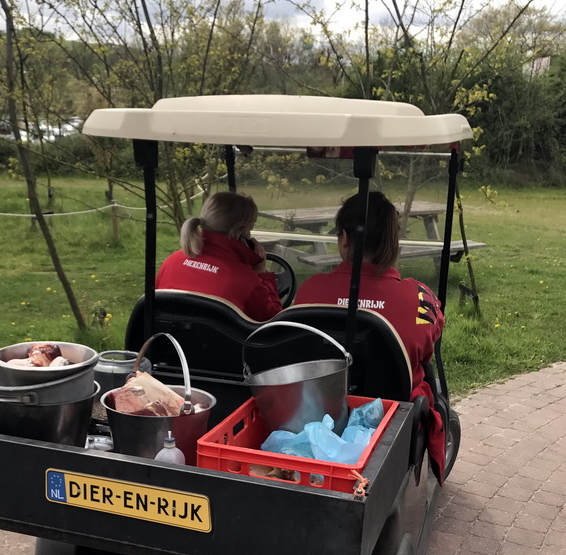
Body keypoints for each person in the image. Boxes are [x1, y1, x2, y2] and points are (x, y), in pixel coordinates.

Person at [295, 190, 447, 480]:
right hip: (393, 418)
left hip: (317, 411)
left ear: (343, 240)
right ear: (393, 243)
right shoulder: (420, 298)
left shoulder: (309, 292)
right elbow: (427, 347)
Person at [155, 191, 282, 321]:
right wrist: (263, 276)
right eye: (250, 229)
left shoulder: (171, 262)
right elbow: (274, 323)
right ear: (240, 232)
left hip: (169, 341)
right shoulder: (245, 279)